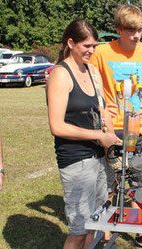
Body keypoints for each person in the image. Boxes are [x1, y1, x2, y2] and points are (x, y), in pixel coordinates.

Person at [89, 4, 142, 248]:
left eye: (140, 31)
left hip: (139, 129)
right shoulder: (101, 53)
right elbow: (87, 77)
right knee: (108, 184)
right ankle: (105, 231)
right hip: (111, 131)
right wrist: (101, 107)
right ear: (118, 29)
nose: (136, 36)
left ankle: (141, 231)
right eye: (131, 31)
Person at [46, 19, 118, 249]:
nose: (92, 51)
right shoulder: (60, 74)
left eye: (94, 46)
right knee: (79, 230)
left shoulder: (93, 70)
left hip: (99, 158)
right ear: (71, 43)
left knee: (96, 222)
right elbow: (57, 126)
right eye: (87, 46)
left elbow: (102, 109)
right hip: (76, 161)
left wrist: (112, 136)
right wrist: (99, 135)